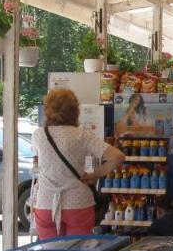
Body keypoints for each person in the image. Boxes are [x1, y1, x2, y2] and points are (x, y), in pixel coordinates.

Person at [33, 88, 124, 239]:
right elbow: (118, 157)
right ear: (76, 111)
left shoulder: (39, 134)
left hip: (46, 203)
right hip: (77, 203)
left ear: (48, 110)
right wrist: (96, 174)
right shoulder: (82, 135)